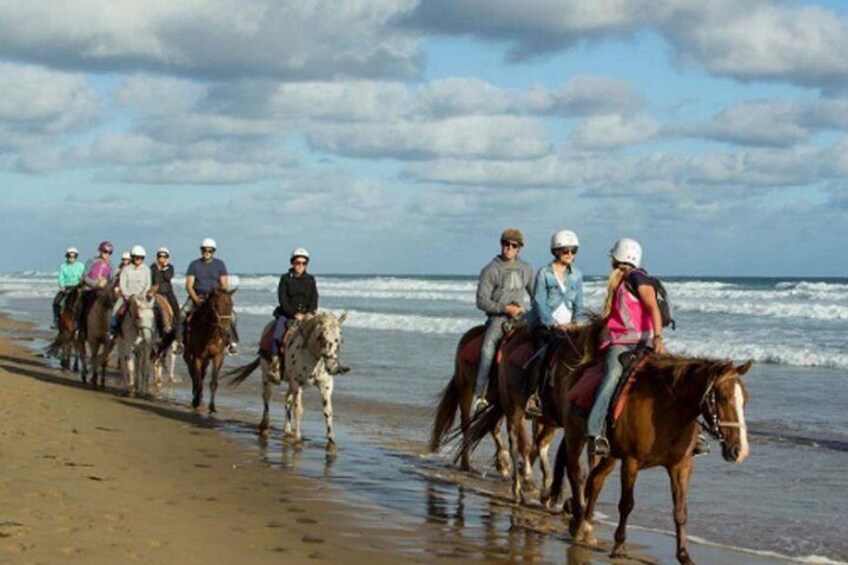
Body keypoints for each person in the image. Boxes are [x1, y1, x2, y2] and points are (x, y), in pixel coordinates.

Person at [587, 238, 708, 458]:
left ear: (618, 257)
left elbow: (652, 306)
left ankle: (594, 433)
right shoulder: (622, 280)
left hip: (635, 342)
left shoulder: (636, 277)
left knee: (612, 376)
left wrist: (658, 338)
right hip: (627, 340)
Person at [473, 228, 534, 413]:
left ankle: (534, 394)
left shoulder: (526, 269)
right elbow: (481, 301)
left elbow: (535, 296)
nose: (508, 248)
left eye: (513, 245)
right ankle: (480, 394)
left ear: (519, 249)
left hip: (520, 319)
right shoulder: (491, 269)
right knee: (487, 347)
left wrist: (528, 311)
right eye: (505, 244)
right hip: (498, 319)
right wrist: (504, 308)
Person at [525, 229, 584, 416]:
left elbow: (579, 304)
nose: (570, 255)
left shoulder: (577, 275)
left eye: (573, 251)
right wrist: (552, 323)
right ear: (556, 251)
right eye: (566, 250)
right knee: (541, 354)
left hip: (569, 327)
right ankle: (533, 397)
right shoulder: (544, 273)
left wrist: (577, 323)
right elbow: (539, 302)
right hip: (545, 325)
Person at [182, 237, 239, 355]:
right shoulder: (194, 265)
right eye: (205, 250)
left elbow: (224, 284)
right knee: (181, 314)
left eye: (210, 251)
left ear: (213, 251)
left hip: (214, 297)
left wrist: (218, 296)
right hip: (198, 295)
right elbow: (189, 285)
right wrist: (195, 298)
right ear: (201, 251)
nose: (207, 253)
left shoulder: (220, 264)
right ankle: (179, 342)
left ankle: (232, 342)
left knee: (232, 316)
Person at [109, 245, 152, 338]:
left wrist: (143, 295)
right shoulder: (126, 269)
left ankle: (157, 331)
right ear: (132, 257)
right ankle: (113, 331)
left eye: (141, 258)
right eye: (137, 257)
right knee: (115, 310)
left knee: (153, 311)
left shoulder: (146, 269)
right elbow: (122, 283)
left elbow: (148, 284)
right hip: (127, 296)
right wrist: (125, 295)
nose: (139, 260)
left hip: (141, 297)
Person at [79, 241, 114, 331]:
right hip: (89, 289)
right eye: (105, 251)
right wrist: (94, 284)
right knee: (81, 304)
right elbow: (84, 276)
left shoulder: (110, 265)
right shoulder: (92, 261)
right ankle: (79, 327)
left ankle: (110, 329)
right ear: (100, 251)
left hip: (103, 291)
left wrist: (105, 283)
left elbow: (111, 280)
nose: (107, 254)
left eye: (110, 252)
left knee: (111, 304)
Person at [150, 247, 180, 342]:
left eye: (164, 256)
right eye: (160, 256)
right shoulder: (152, 267)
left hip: (167, 292)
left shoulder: (170, 267)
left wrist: (163, 268)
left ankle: (178, 336)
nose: (162, 258)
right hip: (156, 293)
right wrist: (158, 269)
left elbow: (168, 277)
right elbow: (155, 280)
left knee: (176, 310)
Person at [52, 247, 85, 328]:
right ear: (67, 256)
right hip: (67, 287)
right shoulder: (63, 266)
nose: (71, 258)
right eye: (70, 256)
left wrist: (82, 285)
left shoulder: (80, 266)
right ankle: (56, 320)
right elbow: (61, 277)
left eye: (73, 256)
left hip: (78, 287)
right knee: (56, 302)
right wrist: (62, 286)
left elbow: (84, 276)